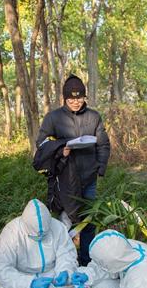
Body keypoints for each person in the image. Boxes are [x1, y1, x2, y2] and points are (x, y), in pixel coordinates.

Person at [36, 75, 111, 266]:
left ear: (85, 97)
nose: (76, 102)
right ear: (64, 98)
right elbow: (42, 144)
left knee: (88, 221)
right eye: (71, 99)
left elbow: (103, 145)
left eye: (79, 98)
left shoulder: (94, 117)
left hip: (88, 178)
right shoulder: (53, 118)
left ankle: (86, 261)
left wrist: (100, 168)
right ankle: (63, 263)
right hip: (65, 180)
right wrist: (61, 149)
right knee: (64, 223)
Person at [0, 199, 78, 288]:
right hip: (22, 274)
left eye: (44, 234)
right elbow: (1, 270)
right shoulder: (11, 233)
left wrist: (64, 270)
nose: (41, 237)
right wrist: (30, 284)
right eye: (36, 235)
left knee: (75, 282)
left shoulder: (57, 227)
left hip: (51, 273)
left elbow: (66, 253)